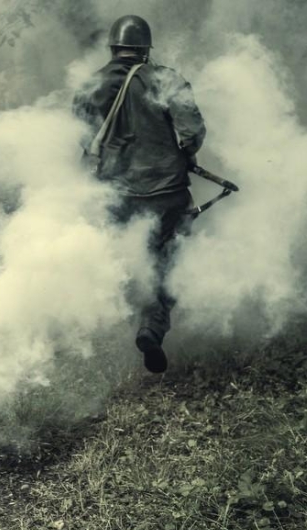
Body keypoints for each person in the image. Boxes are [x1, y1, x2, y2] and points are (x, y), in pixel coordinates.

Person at [73, 14, 207, 374]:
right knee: (168, 258)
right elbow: (192, 131)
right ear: (146, 49)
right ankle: (152, 326)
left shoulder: (90, 85)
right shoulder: (165, 78)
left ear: (113, 48)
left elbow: (82, 138)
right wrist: (187, 154)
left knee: (128, 256)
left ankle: (114, 318)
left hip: (116, 192)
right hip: (167, 190)